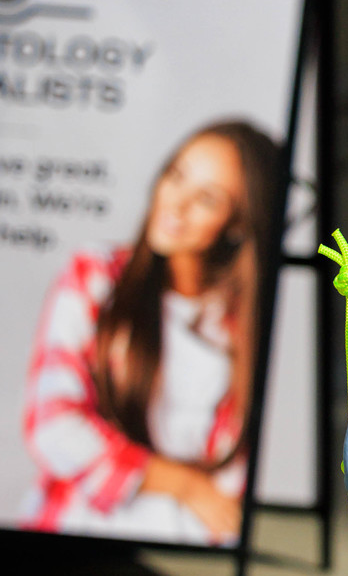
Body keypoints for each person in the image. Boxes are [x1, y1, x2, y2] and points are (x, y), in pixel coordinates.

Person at [22, 121, 279, 544]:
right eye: (176, 176)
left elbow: (233, 474)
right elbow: (52, 422)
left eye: (207, 199)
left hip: (191, 540)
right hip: (78, 527)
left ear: (236, 225)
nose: (175, 205)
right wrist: (183, 484)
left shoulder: (239, 323)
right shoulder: (95, 277)